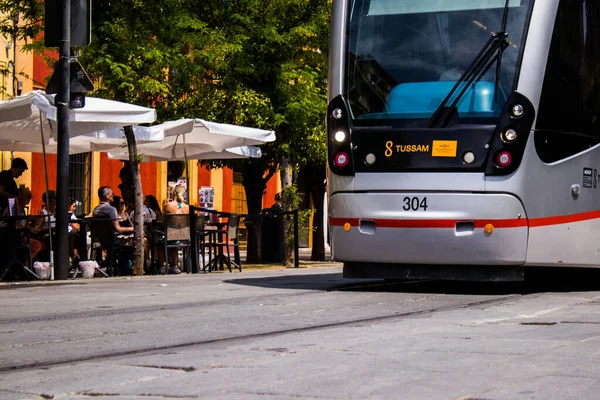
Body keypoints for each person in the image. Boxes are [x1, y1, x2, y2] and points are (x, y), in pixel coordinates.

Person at [92, 186, 134, 274]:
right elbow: (118, 228)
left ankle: (116, 266)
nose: (113, 196)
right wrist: (132, 228)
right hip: (113, 240)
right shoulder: (111, 209)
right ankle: (125, 269)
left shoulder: (96, 209)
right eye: (112, 194)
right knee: (132, 244)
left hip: (102, 240)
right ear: (107, 196)